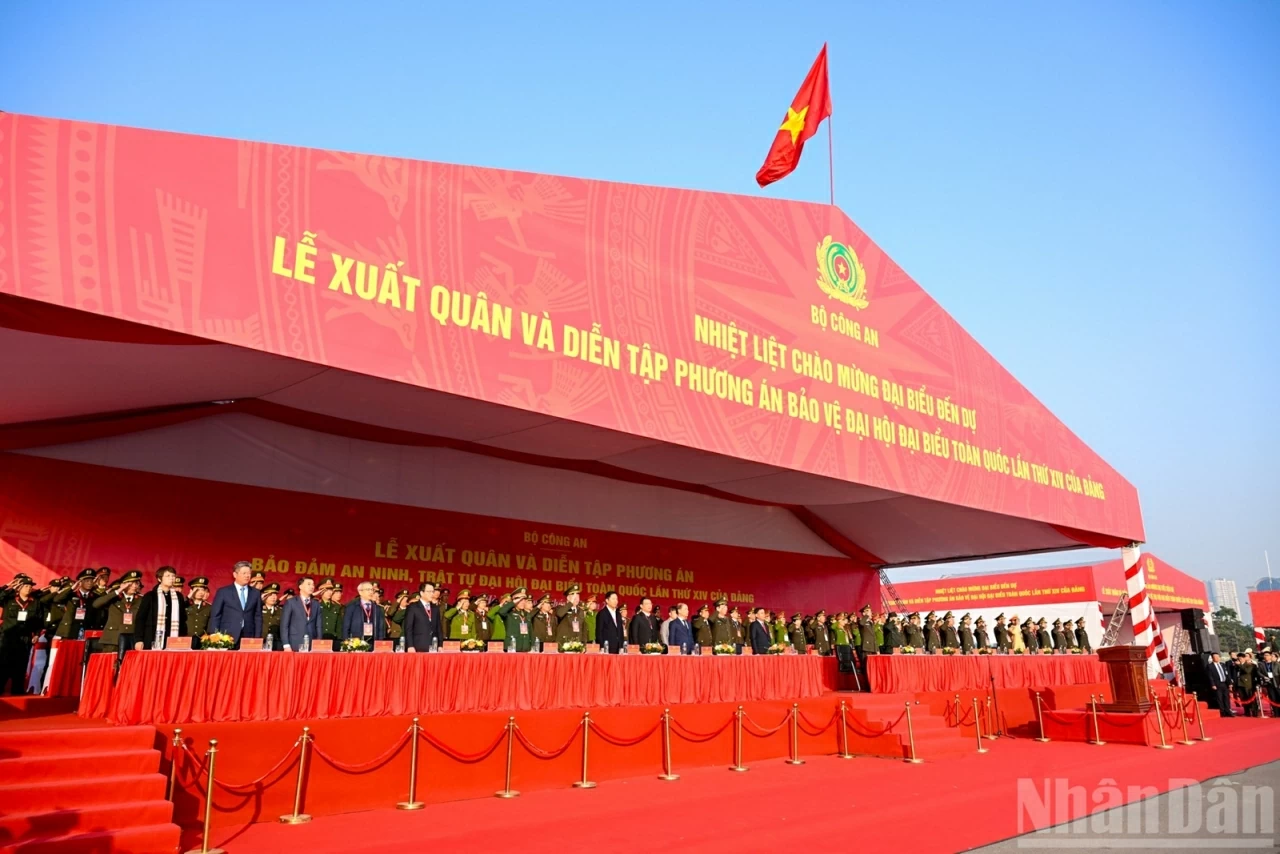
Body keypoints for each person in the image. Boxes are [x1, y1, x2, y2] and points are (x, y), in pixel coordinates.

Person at [0, 576, 43, 694]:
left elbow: (39, 620)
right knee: (3, 662)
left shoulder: (35, 603)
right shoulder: (9, 599)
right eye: (26, 586)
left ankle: (17, 689)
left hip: (25, 637)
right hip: (8, 636)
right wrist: (7, 586)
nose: (29, 588)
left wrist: (37, 634)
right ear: (19, 588)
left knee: (21, 663)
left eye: (30, 586)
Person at [209, 561, 262, 647]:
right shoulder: (223, 592)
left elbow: (258, 616)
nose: (247, 576)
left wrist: (257, 637)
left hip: (248, 636)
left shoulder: (255, 593)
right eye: (244, 573)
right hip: (226, 636)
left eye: (249, 573)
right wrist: (214, 635)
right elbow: (216, 615)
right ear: (235, 575)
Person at [134, 566, 187, 650]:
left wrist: (183, 638)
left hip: (173, 638)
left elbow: (183, 619)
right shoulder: (150, 596)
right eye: (168, 576)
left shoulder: (178, 597)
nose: (171, 578)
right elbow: (141, 618)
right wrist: (138, 639)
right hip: (151, 637)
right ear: (159, 579)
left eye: (173, 576)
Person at [94, 570, 143, 657]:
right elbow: (96, 604)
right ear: (123, 584)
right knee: (109, 667)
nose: (134, 586)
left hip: (131, 639)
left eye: (136, 583)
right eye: (131, 583)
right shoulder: (115, 598)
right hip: (113, 640)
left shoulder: (140, 600)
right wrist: (118, 590)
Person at [52, 569, 100, 639]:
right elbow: (56, 599)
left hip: (86, 630)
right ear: (80, 582)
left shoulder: (95, 597)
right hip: (69, 631)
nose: (90, 583)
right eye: (87, 581)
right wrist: (71, 589)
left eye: (91, 581)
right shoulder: (71, 595)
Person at [281, 576, 323, 651]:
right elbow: (284, 625)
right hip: (294, 642)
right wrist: (286, 644)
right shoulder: (291, 602)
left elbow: (318, 625)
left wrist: (319, 642)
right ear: (300, 586)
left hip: (312, 643)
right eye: (309, 584)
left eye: (313, 584)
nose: (312, 587)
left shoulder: (316, 604)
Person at [403, 581, 442, 652]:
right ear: (422, 593)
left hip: (433, 647)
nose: (432, 594)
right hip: (417, 646)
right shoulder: (413, 607)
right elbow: (408, 628)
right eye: (429, 591)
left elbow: (439, 628)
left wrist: (440, 645)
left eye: (432, 591)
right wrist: (410, 645)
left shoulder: (435, 608)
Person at [1206, 652, 1234, 717]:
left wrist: (1229, 683)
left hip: (1224, 683)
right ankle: (1222, 711)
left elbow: (1227, 674)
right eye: (1215, 657)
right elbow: (1210, 676)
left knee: (1226, 698)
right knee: (1219, 698)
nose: (1217, 658)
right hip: (1217, 684)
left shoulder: (1223, 664)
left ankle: (1228, 710)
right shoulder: (1210, 666)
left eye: (1218, 657)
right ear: (1213, 658)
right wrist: (1213, 684)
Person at [187, 578, 212, 647]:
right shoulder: (185, 605)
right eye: (197, 590)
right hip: (186, 640)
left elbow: (210, 625)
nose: (201, 592)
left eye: (203, 590)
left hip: (202, 641)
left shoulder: (209, 607)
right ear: (191, 591)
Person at [1236, 650, 1261, 717]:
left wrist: (1240, 665)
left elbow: (1247, 671)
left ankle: (1254, 712)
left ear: (1244, 658)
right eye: (1238, 658)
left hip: (1248, 684)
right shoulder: (1237, 665)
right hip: (1240, 684)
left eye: (1241, 658)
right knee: (1243, 699)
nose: (1239, 660)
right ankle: (1247, 712)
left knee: (1250, 699)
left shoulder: (1250, 665)